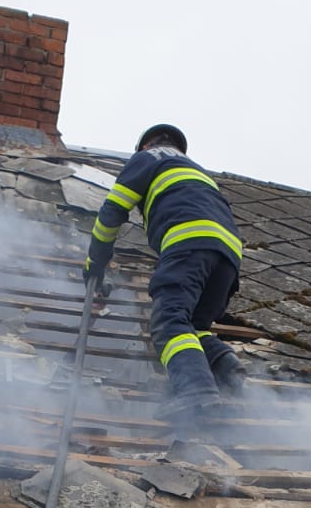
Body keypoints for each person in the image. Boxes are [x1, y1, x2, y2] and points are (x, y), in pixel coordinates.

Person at [84, 123, 245, 424]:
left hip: (188, 243)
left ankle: (196, 390)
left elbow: (111, 212)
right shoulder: (198, 171)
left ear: (145, 146)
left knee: (169, 322)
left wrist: (95, 263)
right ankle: (224, 365)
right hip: (228, 256)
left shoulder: (147, 158)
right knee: (193, 326)